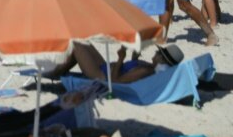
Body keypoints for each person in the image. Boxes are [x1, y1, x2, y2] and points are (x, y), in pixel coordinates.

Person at [45, 42, 184, 84]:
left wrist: (121, 59)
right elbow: (130, 73)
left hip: (103, 76)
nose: (155, 53)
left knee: (76, 45)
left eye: (158, 53)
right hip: (106, 69)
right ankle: (59, 71)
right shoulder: (149, 68)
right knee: (84, 42)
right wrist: (134, 58)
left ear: (162, 59)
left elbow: (116, 81)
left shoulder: (146, 71)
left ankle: (56, 72)